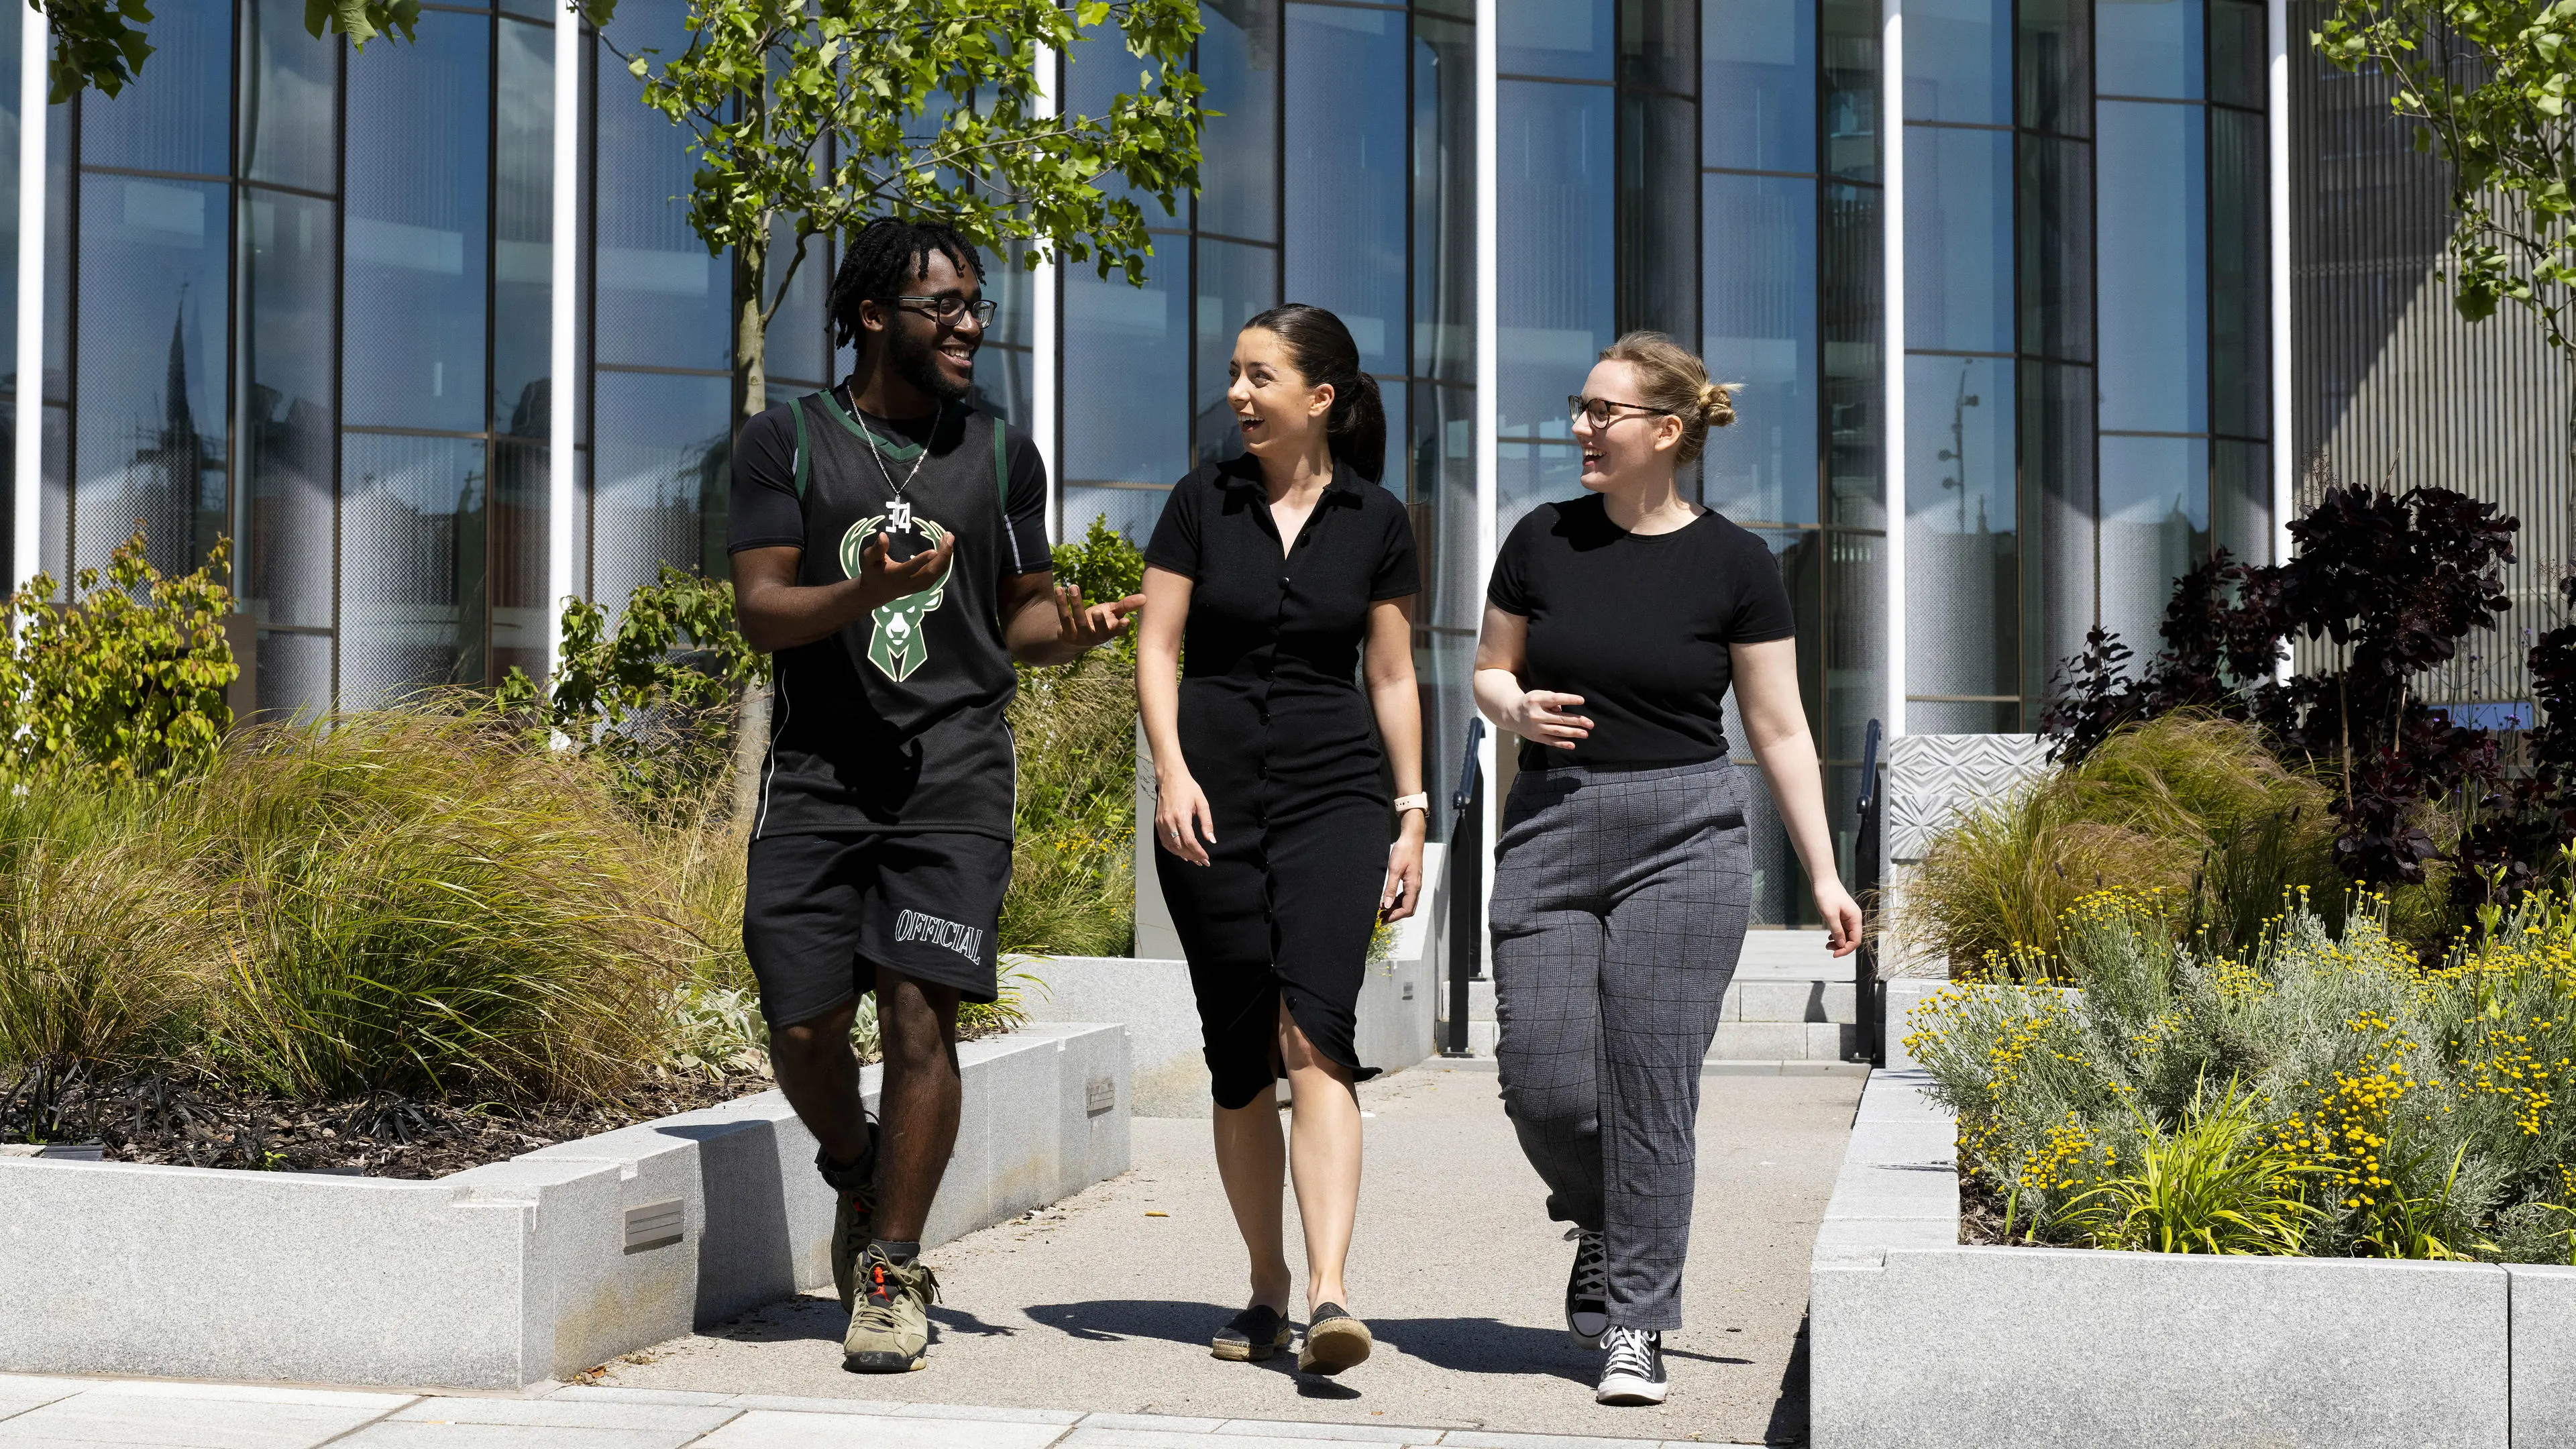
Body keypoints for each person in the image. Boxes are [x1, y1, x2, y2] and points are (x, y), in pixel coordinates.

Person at [727, 217, 1140, 1375]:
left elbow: (1022, 613)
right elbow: (762, 609)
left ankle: (892, 1268)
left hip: (954, 769)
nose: (969, 326)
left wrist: (1070, 632)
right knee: (803, 1028)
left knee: (922, 1015)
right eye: (944, 307)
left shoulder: (1001, 452)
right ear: (873, 317)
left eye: (976, 306)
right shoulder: (786, 443)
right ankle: (856, 1169)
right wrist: (859, 591)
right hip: (817, 776)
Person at [1471, 332, 1862, 1407]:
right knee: (1544, 1084)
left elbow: (1779, 729)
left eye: (1604, 412)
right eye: (1580, 408)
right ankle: (1604, 1217)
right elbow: (1489, 672)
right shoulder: (1541, 539)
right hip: (1550, 827)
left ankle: (1635, 1321)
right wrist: (1509, 704)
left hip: (1685, 835)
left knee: (1650, 1086)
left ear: (1667, 432)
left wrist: (1824, 872)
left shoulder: (1737, 562)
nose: (1582, 428)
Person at [1135, 303, 1426, 1376]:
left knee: (1317, 1030)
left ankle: (1330, 1295)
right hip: (1206, 799)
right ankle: (1264, 1284)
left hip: (1335, 797)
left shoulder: (1378, 519)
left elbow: (1391, 677)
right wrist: (1170, 771)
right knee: (1240, 1052)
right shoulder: (1198, 503)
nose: (1238, 396)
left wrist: (1412, 811)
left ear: (1323, 399)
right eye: (1234, 376)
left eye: (1260, 377)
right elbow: (1158, 650)